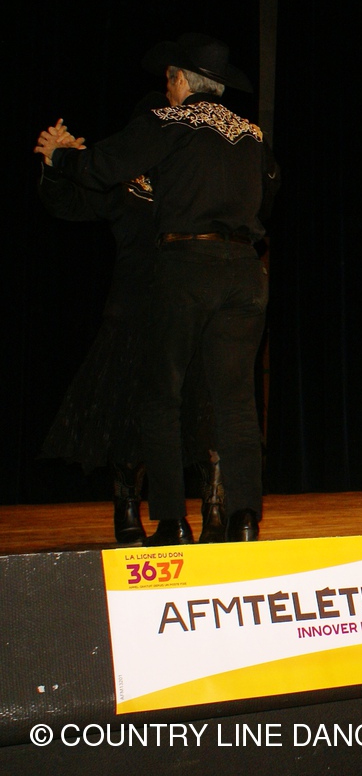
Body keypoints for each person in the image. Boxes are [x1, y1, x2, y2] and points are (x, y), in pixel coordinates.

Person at [42, 33, 280, 544]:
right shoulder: (253, 134)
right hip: (244, 270)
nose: (166, 88)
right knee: (236, 401)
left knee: (161, 396)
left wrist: (59, 158)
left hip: (187, 266)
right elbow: (267, 197)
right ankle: (244, 518)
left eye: (168, 79)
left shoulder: (168, 122)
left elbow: (104, 166)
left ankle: (171, 521)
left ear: (179, 81)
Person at [34, 101, 223, 543]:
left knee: (207, 409)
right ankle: (127, 506)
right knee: (129, 411)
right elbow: (68, 203)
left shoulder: (197, 176)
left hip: (194, 308)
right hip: (137, 310)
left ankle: (216, 507)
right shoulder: (127, 186)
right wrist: (57, 164)